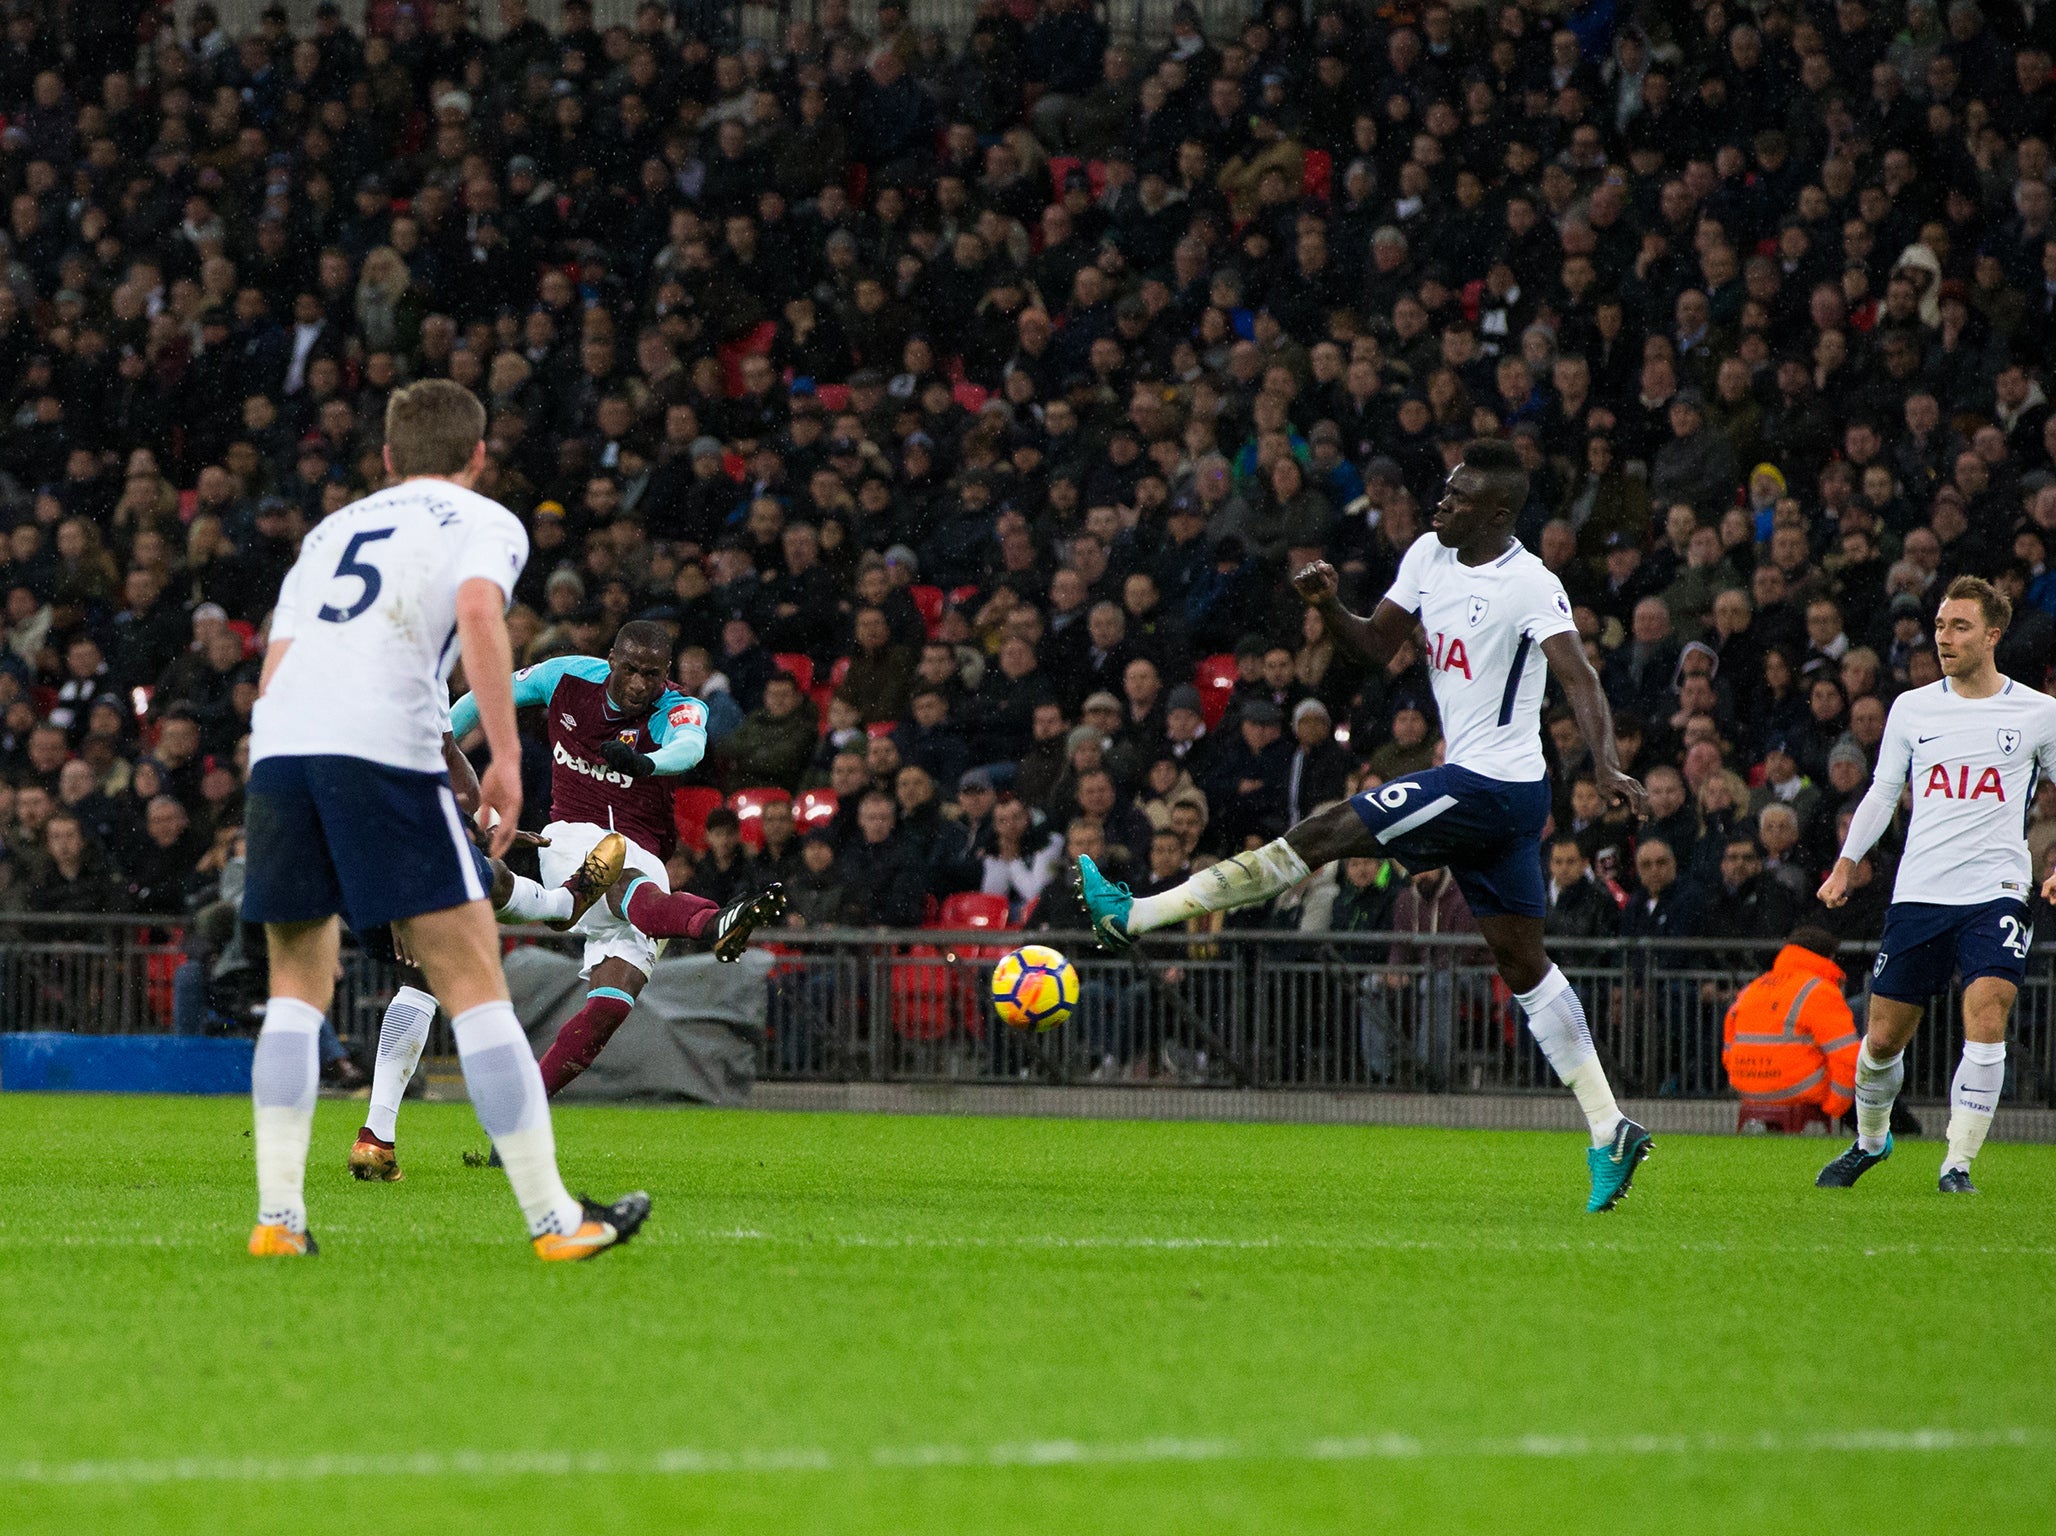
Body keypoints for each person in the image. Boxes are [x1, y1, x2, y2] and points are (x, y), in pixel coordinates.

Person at [1080, 441, 1656, 1211]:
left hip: (1491, 786)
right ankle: (1608, 1127)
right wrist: (1326, 607)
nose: (1439, 505)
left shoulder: (1528, 584)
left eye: (1456, 498)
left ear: (1496, 512)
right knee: (1523, 965)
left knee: (1320, 834)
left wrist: (1607, 764)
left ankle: (1136, 914)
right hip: (1499, 796)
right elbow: (1377, 643)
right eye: (1443, 493)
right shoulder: (1426, 555)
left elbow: (1579, 677)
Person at [239, 378, 648, 1260]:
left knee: (295, 987)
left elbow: (275, 665)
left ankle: (278, 1221)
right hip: (383, 747)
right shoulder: (483, 520)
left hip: (279, 750)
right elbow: (476, 613)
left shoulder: (329, 531)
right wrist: (506, 755)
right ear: (477, 456)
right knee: (470, 978)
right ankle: (555, 1220)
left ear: (387, 458)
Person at [433, 620, 787, 1112]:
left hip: (645, 853)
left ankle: (521, 1113)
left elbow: (691, 746)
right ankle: (713, 923)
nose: (641, 685)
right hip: (571, 837)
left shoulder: (679, 706)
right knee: (621, 878)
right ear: (611, 660)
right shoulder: (566, 677)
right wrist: (443, 741)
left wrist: (648, 763)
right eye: (631, 670)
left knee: (607, 1010)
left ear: (666, 673)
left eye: (653, 674)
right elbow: (490, 695)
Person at [1817, 576, 2056, 1193]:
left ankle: (1958, 1163)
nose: (1943, 638)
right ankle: (1871, 1141)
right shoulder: (1913, 708)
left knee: (1988, 1013)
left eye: (1959, 627)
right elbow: (1883, 790)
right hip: (1921, 891)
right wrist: (1847, 861)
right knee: (1882, 1040)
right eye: (1941, 626)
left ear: (1993, 636)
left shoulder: (2037, 713)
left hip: (1998, 889)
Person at [1721, 926, 1860, 1126]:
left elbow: (1728, 1051)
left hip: (1748, 1088)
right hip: (1800, 1088)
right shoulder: (1819, 991)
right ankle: (1899, 1136)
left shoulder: (1753, 988)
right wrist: (1836, 1106)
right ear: (1828, 957)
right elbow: (1846, 1056)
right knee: (1872, 1081)